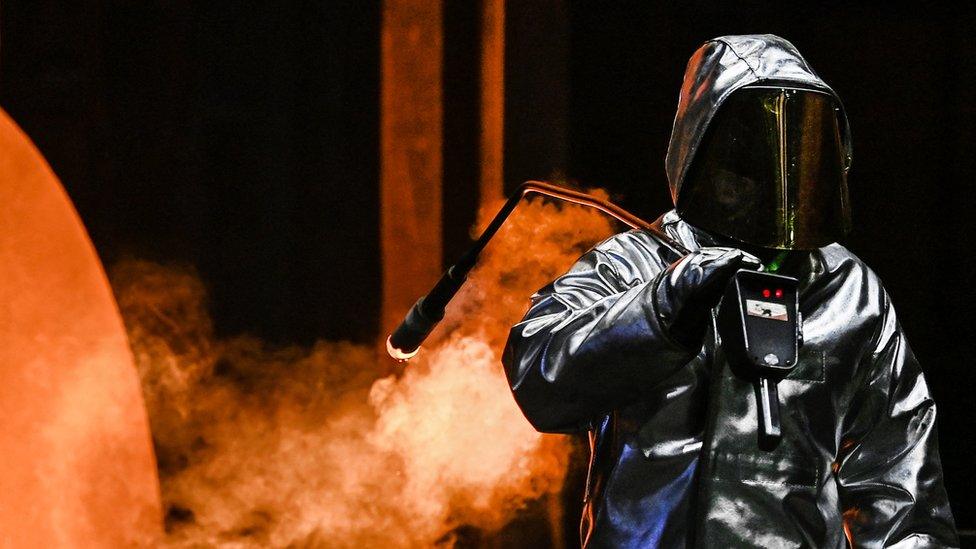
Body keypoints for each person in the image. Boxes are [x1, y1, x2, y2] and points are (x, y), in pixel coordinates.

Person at [502, 34, 959, 548]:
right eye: (747, 161)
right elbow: (538, 377)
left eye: (796, 156)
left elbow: (903, 499)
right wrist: (659, 309)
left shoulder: (851, 294)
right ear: (700, 153)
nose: (772, 181)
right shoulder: (636, 265)